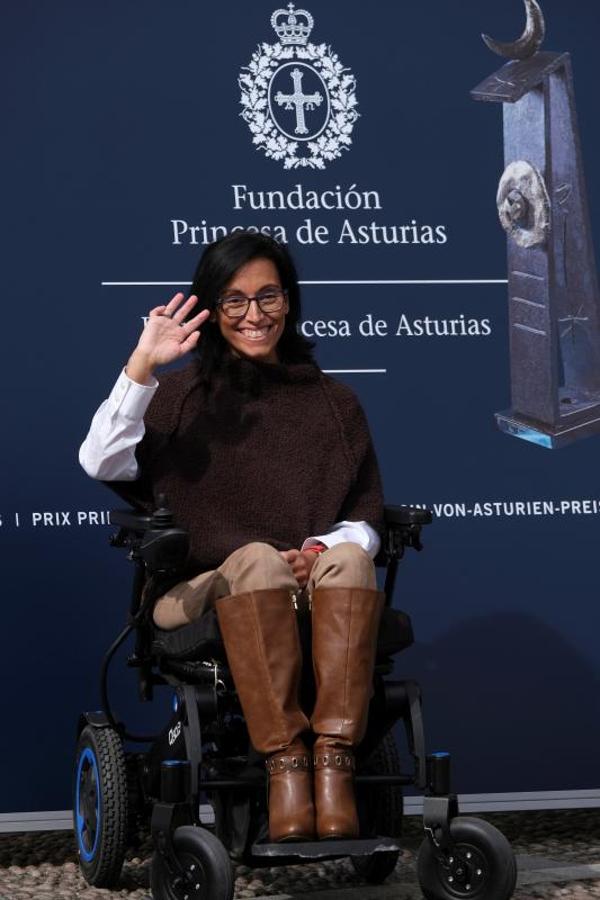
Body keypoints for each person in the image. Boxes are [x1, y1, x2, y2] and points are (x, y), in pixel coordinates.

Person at [80, 231, 385, 844]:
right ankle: (285, 766)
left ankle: (333, 761)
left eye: (267, 295)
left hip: (305, 582)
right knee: (254, 561)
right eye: (235, 300)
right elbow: (100, 460)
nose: (254, 314)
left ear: (289, 300)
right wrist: (144, 363)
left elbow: (364, 513)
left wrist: (321, 550)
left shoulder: (333, 402)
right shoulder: (179, 395)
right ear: (213, 309)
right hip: (196, 586)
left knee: (352, 558)